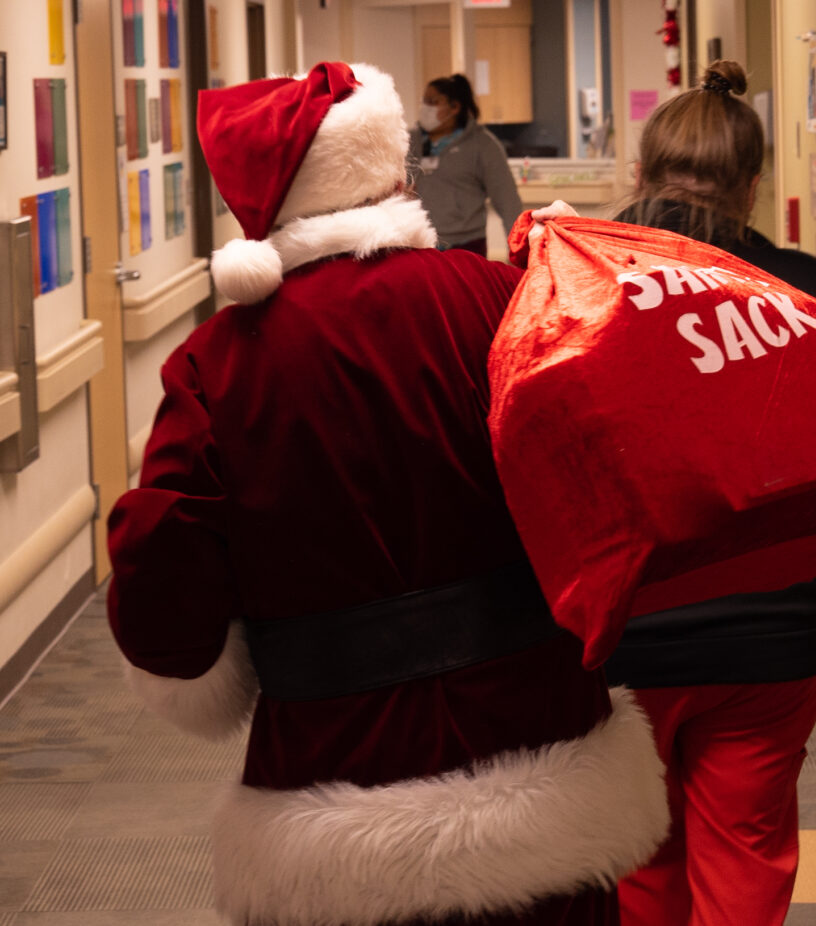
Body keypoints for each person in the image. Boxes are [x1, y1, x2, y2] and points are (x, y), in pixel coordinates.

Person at [105, 61, 669, 926]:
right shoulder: (500, 302)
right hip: (543, 754)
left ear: (260, 208)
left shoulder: (216, 367)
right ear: (390, 169)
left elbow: (163, 603)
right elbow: (613, 479)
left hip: (332, 789)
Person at [533, 59, 816, 926]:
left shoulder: (571, 291)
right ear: (754, 188)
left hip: (624, 645)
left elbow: (523, 440)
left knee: (641, 866)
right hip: (771, 643)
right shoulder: (807, 294)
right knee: (747, 863)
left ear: (639, 175)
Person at [409, 73, 523, 256]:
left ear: (455, 107)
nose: (425, 108)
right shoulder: (410, 140)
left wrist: (519, 251)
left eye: (433, 102)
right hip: (419, 242)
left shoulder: (482, 144)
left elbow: (507, 201)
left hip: (466, 245)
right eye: (424, 101)